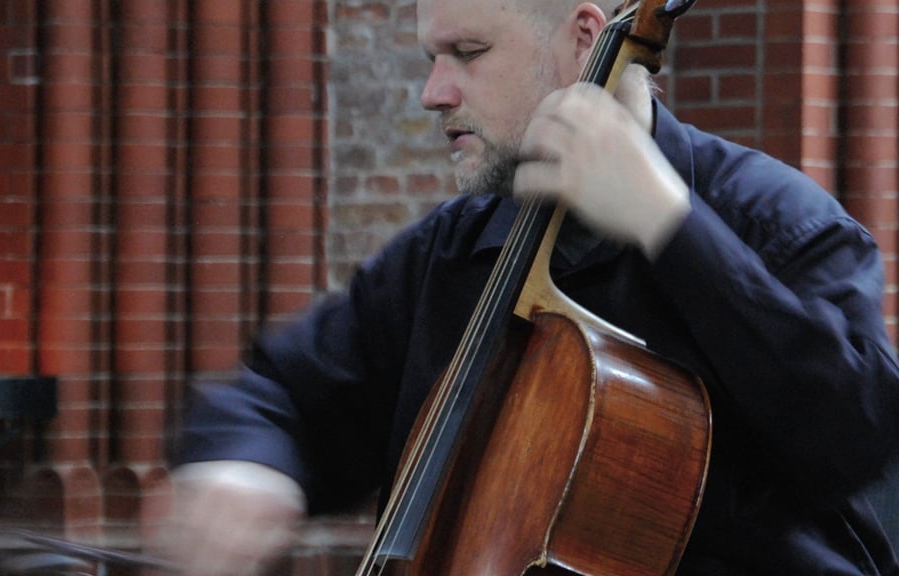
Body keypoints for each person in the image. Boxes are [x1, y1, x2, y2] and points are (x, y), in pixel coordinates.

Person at [155, 0, 899, 574]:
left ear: (583, 38)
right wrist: (243, 463)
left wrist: (672, 230)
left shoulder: (774, 220)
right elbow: (280, 390)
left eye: (466, 53)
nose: (432, 92)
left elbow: (856, 433)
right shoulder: (449, 253)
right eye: (432, 56)